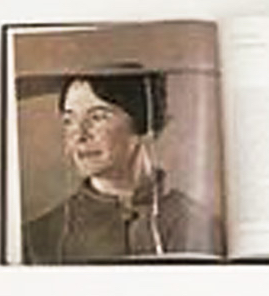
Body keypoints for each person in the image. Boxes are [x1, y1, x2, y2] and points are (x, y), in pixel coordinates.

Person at [22, 70, 223, 263]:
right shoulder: (38, 238)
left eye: (97, 117)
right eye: (69, 120)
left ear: (143, 124)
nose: (79, 136)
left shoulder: (196, 224)